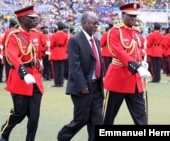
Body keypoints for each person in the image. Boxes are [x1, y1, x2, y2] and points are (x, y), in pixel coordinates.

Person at [57, 11, 104, 141]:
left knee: (97, 121)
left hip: (97, 86)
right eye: (93, 23)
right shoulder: (75, 40)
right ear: (83, 23)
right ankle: (63, 137)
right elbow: (75, 66)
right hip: (83, 87)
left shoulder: (96, 40)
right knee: (81, 119)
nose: (96, 26)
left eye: (97, 23)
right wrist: (82, 85)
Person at [0, 5, 44, 141]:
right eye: (32, 18)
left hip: (35, 78)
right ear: (23, 19)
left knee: (34, 117)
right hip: (20, 79)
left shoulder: (36, 33)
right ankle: (5, 132)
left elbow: (38, 52)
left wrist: (39, 63)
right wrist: (24, 73)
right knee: (19, 113)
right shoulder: (13, 36)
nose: (35, 20)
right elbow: (13, 56)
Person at [103, 2, 150, 125]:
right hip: (118, 79)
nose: (133, 19)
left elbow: (137, 50)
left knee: (141, 116)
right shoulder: (115, 31)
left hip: (135, 81)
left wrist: (142, 62)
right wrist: (137, 66)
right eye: (130, 16)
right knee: (108, 117)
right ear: (123, 15)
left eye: (134, 16)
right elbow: (118, 52)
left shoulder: (136, 32)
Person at [50, 21, 68, 87]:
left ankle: (57, 83)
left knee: (56, 69)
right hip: (62, 51)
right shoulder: (65, 35)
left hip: (55, 51)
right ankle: (61, 82)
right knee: (61, 68)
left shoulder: (54, 35)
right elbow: (66, 44)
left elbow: (51, 45)